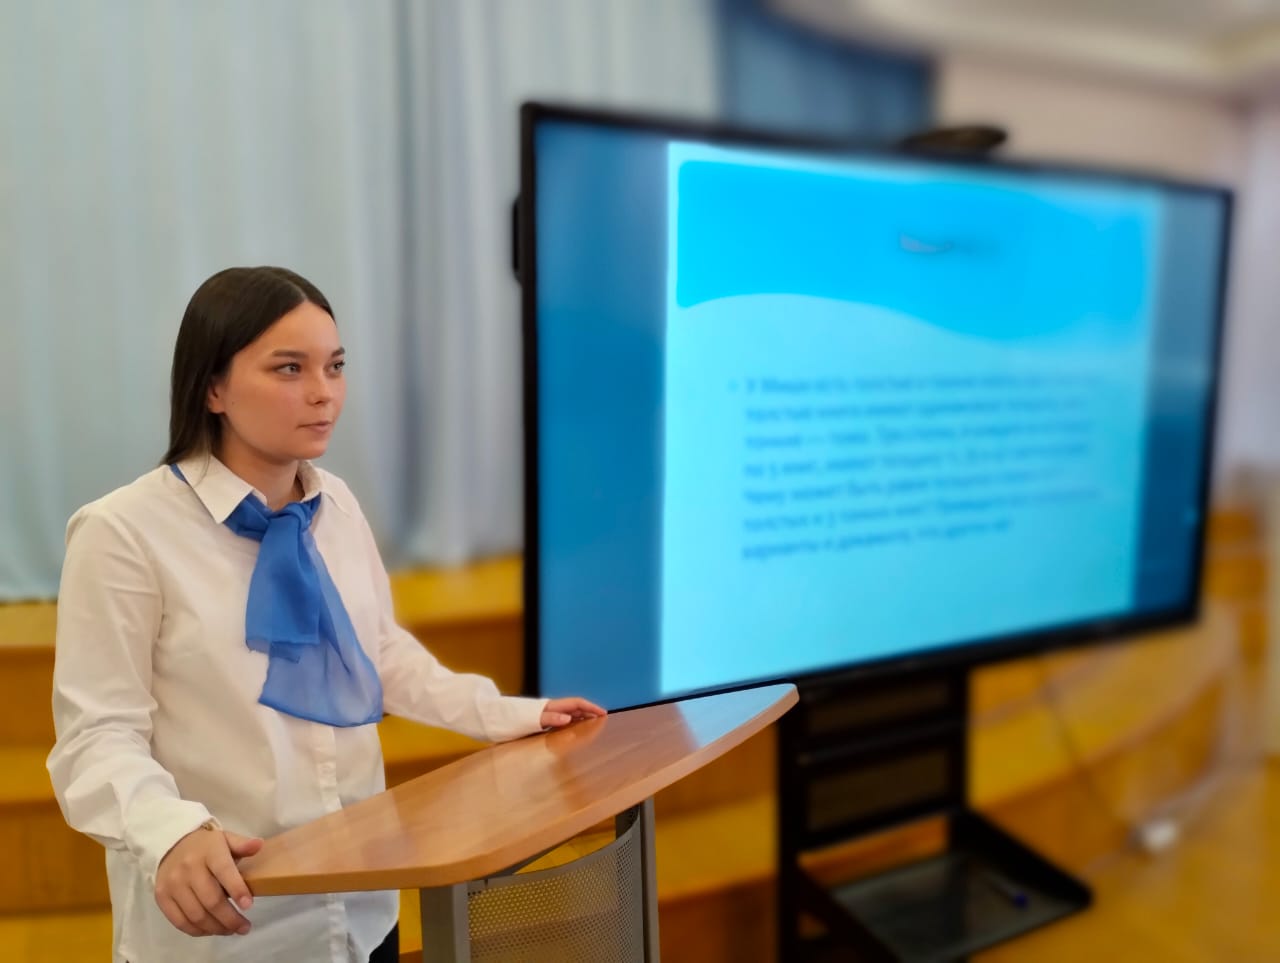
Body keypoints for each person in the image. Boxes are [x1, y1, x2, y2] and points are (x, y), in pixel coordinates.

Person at [46, 266, 605, 963]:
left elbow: (382, 653)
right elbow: (97, 735)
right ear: (213, 388)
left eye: (335, 366)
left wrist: (508, 713)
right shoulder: (123, 532)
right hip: (232, 927)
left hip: (364, 909)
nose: (324, 393)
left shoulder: (333, 502)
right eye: (290, 368)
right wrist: (172, 832)